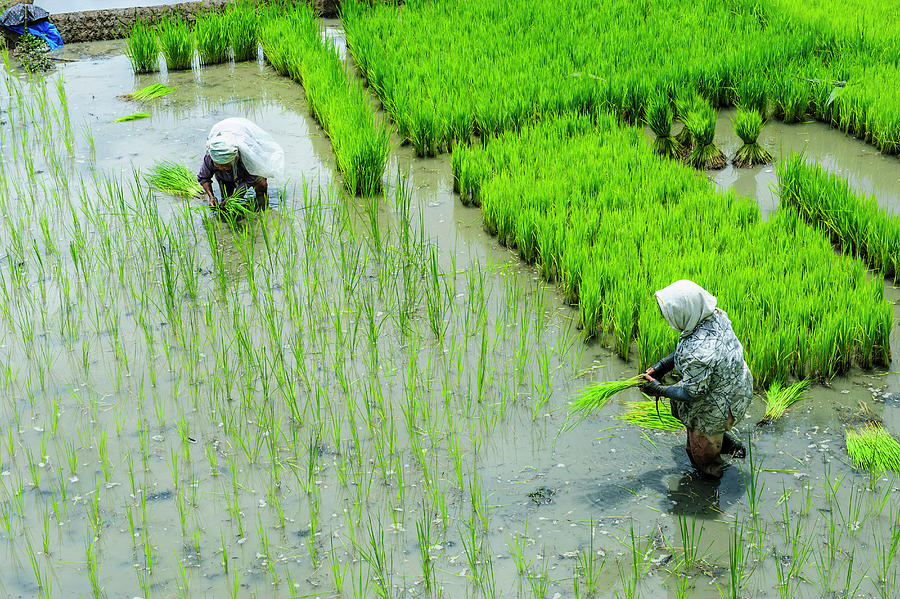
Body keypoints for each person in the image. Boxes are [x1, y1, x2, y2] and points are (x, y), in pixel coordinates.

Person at [640, 280, 753, 479]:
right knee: (695, 433)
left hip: (717, 408)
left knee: (700, 456)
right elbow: (689, 347)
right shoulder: (714, 315)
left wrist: (658, 389)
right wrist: (663, 366)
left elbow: (692, 393)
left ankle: (710, 491)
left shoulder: (699, 353)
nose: (664, 317)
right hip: (736, 389)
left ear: (685, 310)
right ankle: (726, 443)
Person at [197, 118, 284, 210]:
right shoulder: (211, 156)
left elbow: (253, 175)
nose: (222, 168)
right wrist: (211, 196)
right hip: (225, 173)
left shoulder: (248, 154)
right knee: (227, 199)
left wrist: (238, 193)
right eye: (218, 165)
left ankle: (262, 209)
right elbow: (203, 177)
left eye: (226, 165)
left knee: (261, 185)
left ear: (235, 157)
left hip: (247, 155)